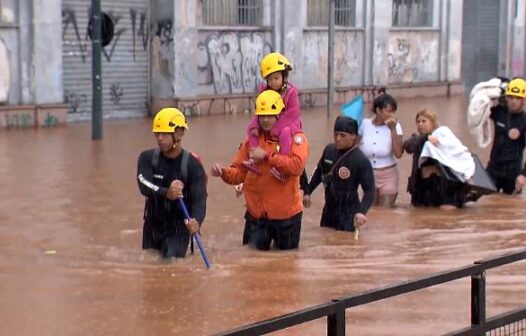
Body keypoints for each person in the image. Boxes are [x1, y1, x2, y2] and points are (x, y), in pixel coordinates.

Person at [211, 90, 308, 251]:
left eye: (270, 115)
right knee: (251, 261)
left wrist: (267, 156)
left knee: (286, 265)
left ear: (280, 115)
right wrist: (223, 173)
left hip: (287, 217)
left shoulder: (296, 138)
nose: (265, 120)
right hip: (256, 217)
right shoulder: (250, 142)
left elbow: (296, 166)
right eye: (262, 115)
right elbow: (239, 173)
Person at [137, 108, 207, 258]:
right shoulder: (147, 158)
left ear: (179, 133)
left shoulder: (192, 165)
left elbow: (199, 198)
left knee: (170, 260)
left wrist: (196, 220)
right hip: (152, 225)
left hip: (178, 227)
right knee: (150, 265)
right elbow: (143, 184)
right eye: (157, 134)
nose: (160, 138)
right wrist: (166, 193)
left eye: (164, 134)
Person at [302, 116, 375, 233]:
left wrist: (362, 212)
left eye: (342, 135)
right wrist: (307, 192)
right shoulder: (329, 150)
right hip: (329, 211)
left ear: (353, 136)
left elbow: (370, 191)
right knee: (326, 241)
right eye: (335, 134)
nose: (338, 138)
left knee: (345, 244)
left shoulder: (361, 160)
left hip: (349, 212)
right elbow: (318, 172)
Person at [242, 52, 302, 181]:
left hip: (288, 122)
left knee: (285, 133)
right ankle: (254, 159)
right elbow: (260, 110)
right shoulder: (264, 90)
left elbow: (293, 113)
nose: (273, 82)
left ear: (284, 77)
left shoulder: (291, 92)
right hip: (269, 119)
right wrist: (255, 125)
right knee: (250, 128)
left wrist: (277, 128)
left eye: (276, 78)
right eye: (270, 79)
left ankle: (281, 167)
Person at [404, 109, 475, 209]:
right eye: (418, 121)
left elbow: (457, 152)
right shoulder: (416, 138)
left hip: (445, 185)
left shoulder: (444, 136)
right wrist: (426, 138)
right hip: (423, 187)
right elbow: (408, 146)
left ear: (432, 122)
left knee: (446, 213)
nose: (420, 124)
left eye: (424, 121)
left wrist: (438, 141)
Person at [358, 93, 404, 207]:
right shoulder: (364, 124)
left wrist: (393, 129)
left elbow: (398, 153)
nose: (391, 115)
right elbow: (354, 147)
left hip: (388, 175)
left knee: (386, 212)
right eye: (388, 111)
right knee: (370, 210)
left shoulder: (396, 126)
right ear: (378, 110)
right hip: (368, 174)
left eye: (393, 112)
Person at [484, 78, 526, 194]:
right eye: (511, 97)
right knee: (486, 200)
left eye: (518, 98)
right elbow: (480, 106)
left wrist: (523, 175)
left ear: (523, 100)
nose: (513, 101)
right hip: (493, 168)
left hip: (513, 173)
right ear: (506, 98)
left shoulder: (524, 120)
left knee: (511, 205)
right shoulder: (498, 112)